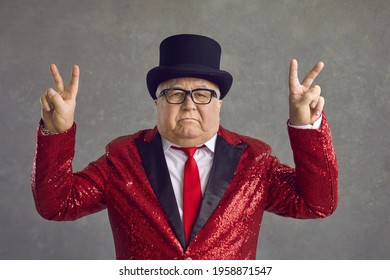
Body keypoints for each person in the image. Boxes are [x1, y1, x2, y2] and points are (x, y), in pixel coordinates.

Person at [31, 34, 338, 260]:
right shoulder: (122, 158)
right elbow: (57, 205)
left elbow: (317, 204)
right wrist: (58, 131)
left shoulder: (254, 161)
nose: (189, 105)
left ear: (219, 105)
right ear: (157, 103)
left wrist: (305, 126)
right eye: (174, 94)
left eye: (203, 94)